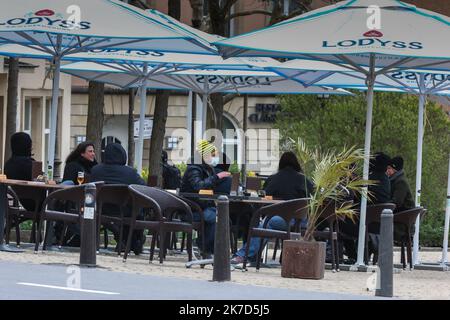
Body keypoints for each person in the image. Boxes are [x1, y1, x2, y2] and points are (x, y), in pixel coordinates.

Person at [231, 151, 314, 265]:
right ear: (297, 164)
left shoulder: (274, 179)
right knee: (268, 222)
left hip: (281, 219)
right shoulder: (305, 180)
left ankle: (244, 256)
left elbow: (264, 198)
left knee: (267, 223)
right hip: (302, 221)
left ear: (281, 163)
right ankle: (249, 256)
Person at [90, 143, 146, 254]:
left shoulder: (96, 170)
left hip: (101, 209)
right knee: (138, 210)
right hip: (125, 212)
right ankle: (133, 241)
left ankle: (124, 240)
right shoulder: (130, 173)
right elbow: (143, 187)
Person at [181, 140, 231, 257]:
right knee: (214, 218)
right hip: (191, 208)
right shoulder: (194, 168)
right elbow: (198, 186)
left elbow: (209, 187)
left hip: (202, 206)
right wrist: (217, 177)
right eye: (212, 155)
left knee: (224, 218)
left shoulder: (208, 169)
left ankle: (210, 248)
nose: (215, 158)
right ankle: (206, 249)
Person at [3, 132, 36, 211]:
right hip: (35, 203)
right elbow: (39, 181)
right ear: (28, 147)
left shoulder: (8, 164)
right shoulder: (32, 164)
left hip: (14, 202)